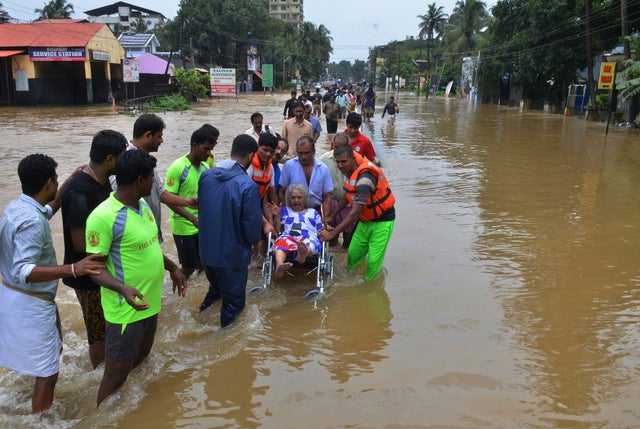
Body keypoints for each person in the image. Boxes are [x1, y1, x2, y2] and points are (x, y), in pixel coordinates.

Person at [0, 154, 104, 414]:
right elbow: (24, 270)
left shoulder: (19, 207)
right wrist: (73, 268)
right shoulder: (32, 221)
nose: (57, 184)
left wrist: (69, 179)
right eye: (56, 180)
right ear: (48, 183)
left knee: (46, 357)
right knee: (48, 373)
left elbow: (48, 210)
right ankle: (41, 420)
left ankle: (33, 407)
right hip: (30, 302)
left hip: (14, 297)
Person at [86, 149, 187, 406]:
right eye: (152, 177)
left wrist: (172, 267)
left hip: (149, 305)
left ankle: (134, 411)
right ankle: (103, 419)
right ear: (140, 181)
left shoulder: (142, 206)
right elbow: (94, 268)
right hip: (125, 312)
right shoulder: (103, 217)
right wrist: (122, 288)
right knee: (115, 375)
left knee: (141, 360)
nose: (154, 182)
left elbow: (151, 245)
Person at [60, 130, 127, 370]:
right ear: (110, 159)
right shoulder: (80, 192)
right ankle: (99, 373)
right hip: (87, 276)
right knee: (97, 332)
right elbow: (79, 244)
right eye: (122, 156)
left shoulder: (102, 183)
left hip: (104, 270)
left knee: (110, 325)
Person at [198, 134, 263, 327]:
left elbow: (202, 210)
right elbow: (251, 228)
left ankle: (200, 320)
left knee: (215, 291)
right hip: (231, 257)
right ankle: (222, 341)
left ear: (231, 151)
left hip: (207, 253)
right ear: (251, 156)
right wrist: (254, 244)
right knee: (234, 304)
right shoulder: (247, 185)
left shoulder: (206, 176)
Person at [114, 113, 197, 242]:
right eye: (159, 136)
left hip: (151, 232)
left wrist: (187, 202)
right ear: (148, 135)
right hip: (135, 236)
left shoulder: (147, 160)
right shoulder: (126, 161)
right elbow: (119, 200)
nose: (162, 141)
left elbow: (161, 193)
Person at [319, 146, 396, 282]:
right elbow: (347, 195)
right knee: (353, 254)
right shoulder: (350, 173)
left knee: (373, 261)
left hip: (382, 222)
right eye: (338, 162)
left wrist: (333, 233)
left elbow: (354, 213)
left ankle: (368, 288)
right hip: (365, 220)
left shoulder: (365, 178)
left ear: (353, 160)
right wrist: (333, 214)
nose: (340, 165)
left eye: (344, 161)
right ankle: (350, 279)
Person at [165, 125, 217, 281]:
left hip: (201, 224)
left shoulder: (205, 167)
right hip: (183, 226)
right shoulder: (177, 167)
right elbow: (168, 199)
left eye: (210, 150)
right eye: (205, 149)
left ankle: (196, 290)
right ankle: (178, 288)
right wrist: (192, 219)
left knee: (203, 263)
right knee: (188, 266)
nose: (208, 154)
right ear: (194, 145)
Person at [265, 184, 323, 279]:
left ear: (305, 198)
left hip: (307, 236)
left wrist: (326, 230)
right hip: (289, 236)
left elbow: (320, 231)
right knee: (281, 242)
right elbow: (278, 230)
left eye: (299, 197)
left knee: (311, 243)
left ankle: (302, 254)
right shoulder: (284, 210)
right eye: (293, 197)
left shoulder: (313, 212)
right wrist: (276, 216)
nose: (296, 200)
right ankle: (280, 266)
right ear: (289, 199)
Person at [318, 133, 364, 249]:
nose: (339, 150)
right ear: (332, 145)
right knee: (331, 232)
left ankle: (344, 253)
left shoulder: (357, 160)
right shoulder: (324, 159)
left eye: (342, 147)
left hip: (350, 203)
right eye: (336, 147)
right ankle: (334, 254)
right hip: (332, 201)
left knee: (349, 233)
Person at [278, 136, 333, 219]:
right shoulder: (289, 166)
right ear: (296, 152)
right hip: (293, 211)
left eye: (307, 153)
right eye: (300, 153)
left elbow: (327, 196)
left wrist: (326, 218)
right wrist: (285, 212)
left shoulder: (323, 168)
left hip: (315, 212)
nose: (303, 156)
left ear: (313, 152)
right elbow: (281, 191)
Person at [246, 132, 279, 205]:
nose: (268, 154)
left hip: (259, 201)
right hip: (247, 203)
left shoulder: (270, 168)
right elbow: (246, 194)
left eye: (271, 152)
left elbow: (272, 192)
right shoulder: (249, 166)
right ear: (258, 146)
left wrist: (276, 208)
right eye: (265, 150)